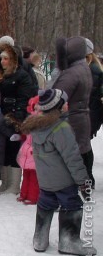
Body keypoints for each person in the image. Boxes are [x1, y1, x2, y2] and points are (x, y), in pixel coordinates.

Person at [21, 88, 96, 256]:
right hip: (63, 181)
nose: (68, 104)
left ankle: (39, 239)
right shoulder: (60, 128)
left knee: (46, 204)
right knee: (72, 205)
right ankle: (69, 241)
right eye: (65, 102)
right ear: (59, 107)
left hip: (46, 180)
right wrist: (83, 181)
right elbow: (73, 158)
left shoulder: (37, 125)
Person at [0, 41, 37, 195]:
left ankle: (14, 184)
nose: (2, 61)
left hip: (15, 117)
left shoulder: (22, 75)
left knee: (14, 150)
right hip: (2, 117)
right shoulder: (2, 76)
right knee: (4, 150)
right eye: (1, 59)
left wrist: (17, 118)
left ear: (12, 59)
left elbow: (24, 98)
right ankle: (5, 182)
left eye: (5, 58)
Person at [52, 36, 94, 189]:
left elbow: (57, 96)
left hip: (71, 120)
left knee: (71, 157)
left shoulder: (72, 73)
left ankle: (71, 192)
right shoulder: (83, 68)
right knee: (81, 153)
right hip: (80, 118)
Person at [15, 96, 40, 205]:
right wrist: (21, 137)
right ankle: (23, 193)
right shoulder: (30, 120)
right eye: (35, 107)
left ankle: (33, 196)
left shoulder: (42, 122)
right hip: (27, 151)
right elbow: (26, 135)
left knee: (34, 177)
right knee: (26, 175)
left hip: (35, 152)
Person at [85, 38, 103, 139]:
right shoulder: (94, 68)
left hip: (90, 115)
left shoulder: (92, 70)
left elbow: (89, 95)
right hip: (91, 115)